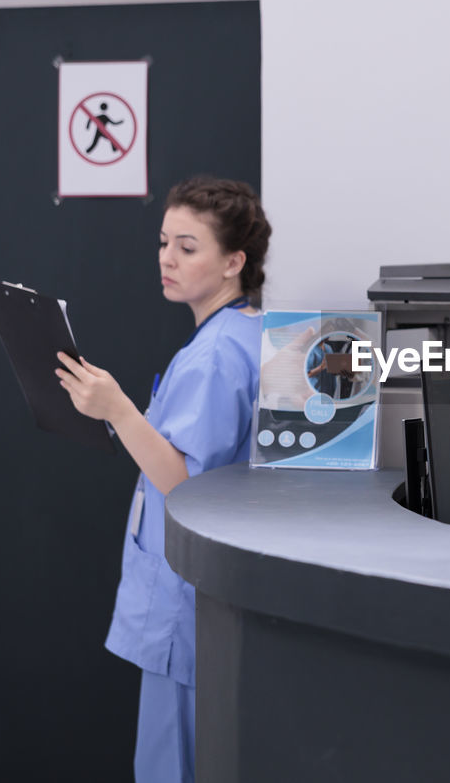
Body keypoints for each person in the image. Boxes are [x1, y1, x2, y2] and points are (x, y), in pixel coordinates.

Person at [55, 177, 271, 782]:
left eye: (187, 247)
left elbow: (184, 485)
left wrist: (118, 410)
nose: (166, 258)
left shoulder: (215, 357)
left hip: (186, 602)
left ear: (234, 261)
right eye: (163, 242)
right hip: (209, 597)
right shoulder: (247, 333)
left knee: (173, 766)